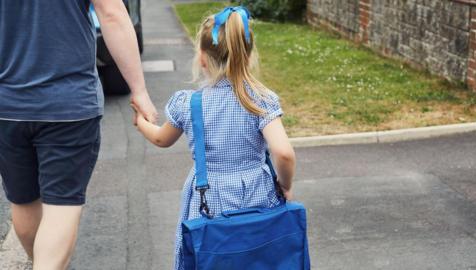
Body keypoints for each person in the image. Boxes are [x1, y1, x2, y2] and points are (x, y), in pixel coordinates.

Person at [133, 6, 296, 270]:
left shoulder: (189, 104)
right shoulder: (260, 100)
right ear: (249, 55)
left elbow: (162, 139)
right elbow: (284, 153)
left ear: (202, 58)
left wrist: (141, 123)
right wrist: (285, 184)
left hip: (207, 196)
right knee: (256, 255)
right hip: (258, 191)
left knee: (210, 257)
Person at [0, 0, 157, 269]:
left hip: (8, 105)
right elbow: (112, 14)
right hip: (68, 103)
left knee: (23, 202)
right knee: (60, 207)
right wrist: (139, 90)